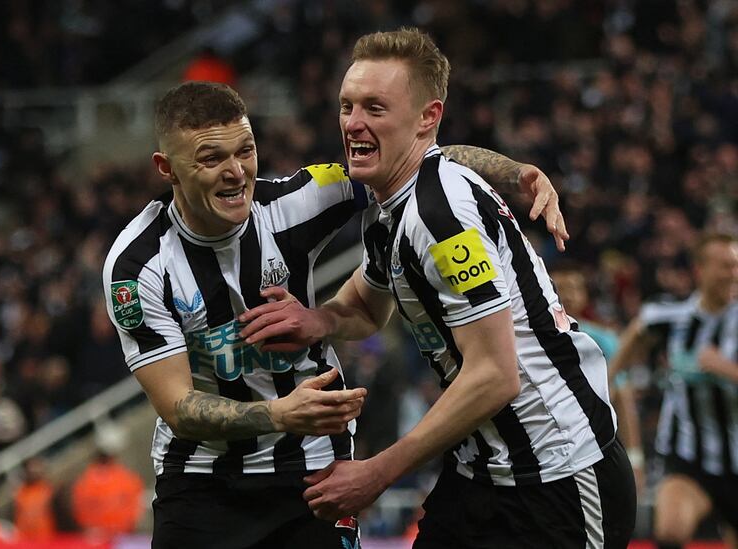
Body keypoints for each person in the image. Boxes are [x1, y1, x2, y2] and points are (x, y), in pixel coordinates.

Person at [102, 80, 566, 548]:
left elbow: (412, 160)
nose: (236, 172)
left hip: (312, 472)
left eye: (245, 150)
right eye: (211, 159)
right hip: (199, 483)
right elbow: (179, 408)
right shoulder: (136, 265)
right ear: (167, 169)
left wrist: (515, 172)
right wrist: (279, 413)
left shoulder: (295, 200)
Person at [240, 28, 635, 548]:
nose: (354, 124)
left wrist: (377, 473)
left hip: (557, 475)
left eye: (375, 108)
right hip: (481, 473)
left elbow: (496, 375)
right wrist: (321, 318)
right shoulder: (389, 206)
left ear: (427, 117)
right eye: (347, 106)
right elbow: (366, 302)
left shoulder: (441, 217)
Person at [609, 233, 738, 549]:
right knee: (669, 532)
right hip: (687, 456)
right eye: (725, 266)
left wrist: (726, 369)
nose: (733, 274)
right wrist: (607, 382)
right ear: (700, 270)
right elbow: (638, 331)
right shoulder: (671, 316)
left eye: (736, 266)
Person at [550, 261, 645, 493]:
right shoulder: (528, 337)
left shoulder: (604, 339)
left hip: (593, 440)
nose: (568, 295)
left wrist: (635, 459)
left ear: (584, 295)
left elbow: (622, 395)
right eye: (560, 289)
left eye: (574, 288)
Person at [71, 426, 145, 539]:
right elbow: (136, 511)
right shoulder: (127, 478)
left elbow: (80, 514)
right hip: (118, 538)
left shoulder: (84, 481)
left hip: (100, 539)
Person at [13, 456, 56, 541]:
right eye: (31, 467)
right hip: (26, 540)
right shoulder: (20, 493)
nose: (34, 470)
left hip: (47, 538)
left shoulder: (48, 490)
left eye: (36, 466)